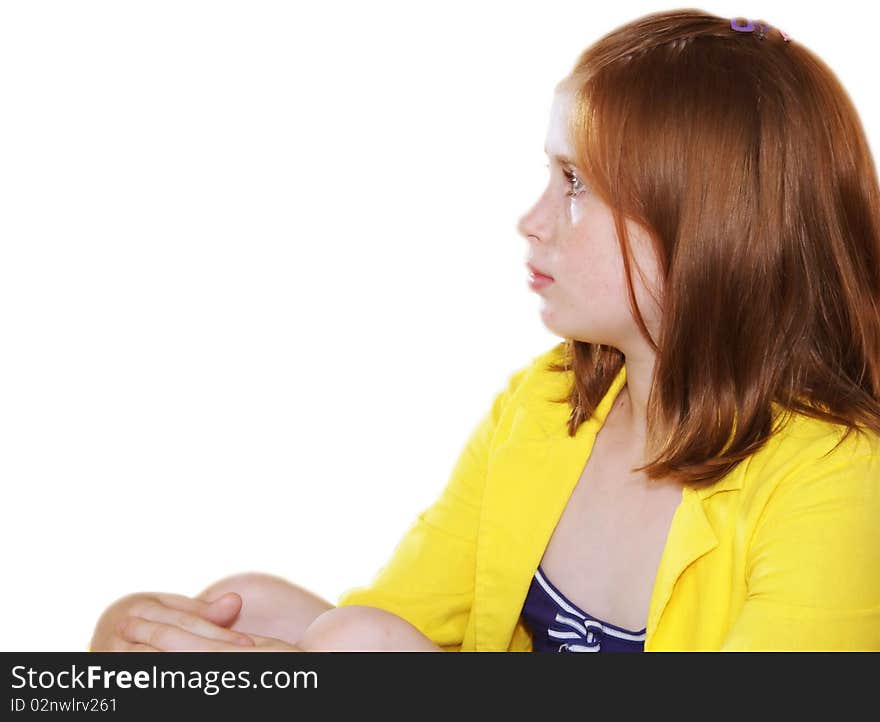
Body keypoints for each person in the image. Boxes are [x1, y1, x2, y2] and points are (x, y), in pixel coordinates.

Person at [89, 9, 880, 652]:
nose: (532, 222)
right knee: (251, 603)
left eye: (574, 184)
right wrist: (154, 640)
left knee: (359, 646)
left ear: (710, 229)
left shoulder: (839, 478)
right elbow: (400, 615)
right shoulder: (545, 405)